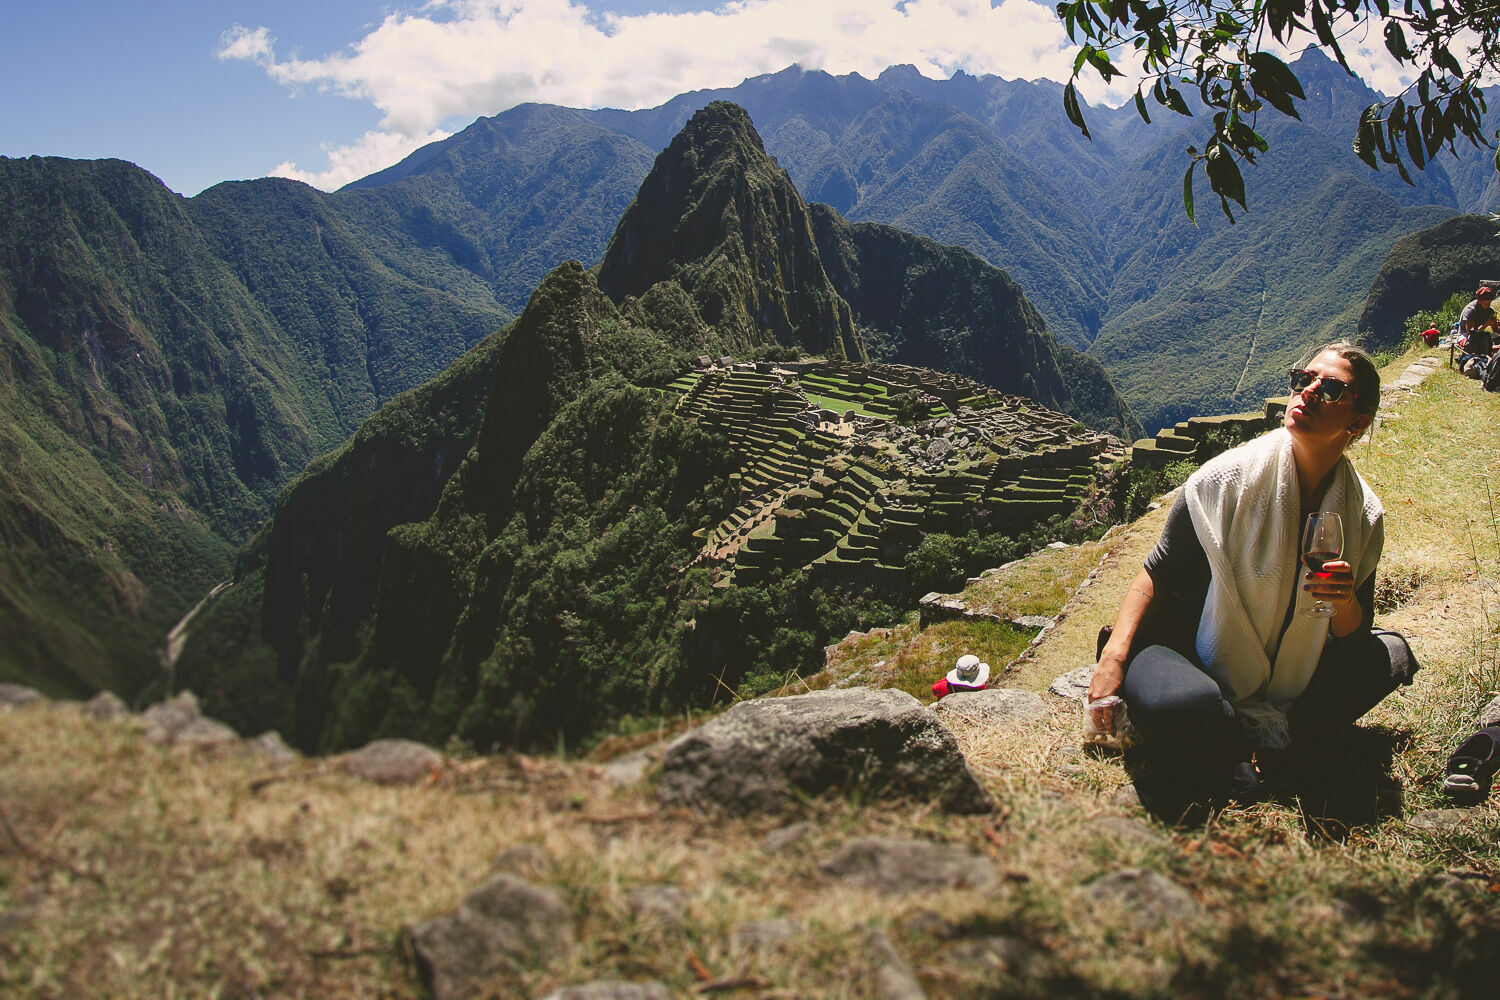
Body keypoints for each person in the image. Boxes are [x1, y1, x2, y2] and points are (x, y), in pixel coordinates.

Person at [1088, 342, 1418, 800]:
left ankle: (1243, 734)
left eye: (1331, 390)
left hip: (1291, 668)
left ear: (1357, 422)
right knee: (1188, 704)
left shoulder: (1362, 515)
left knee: (1393, 656)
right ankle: (1248, 730)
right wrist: (1115, 658)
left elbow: (1352, 633)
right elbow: (1157, 571)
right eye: (1304, 379)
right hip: (1191, 648)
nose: (1307, 392)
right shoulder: (1222, 481)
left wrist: (1341, 600)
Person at [1455, 286, 1497, 377]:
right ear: (1479, 300)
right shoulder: (1471, 311)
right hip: (1465, 335)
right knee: (1472, 344)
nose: (1488, 305)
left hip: (1478, 334)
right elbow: (1470, 333)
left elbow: (1496, 331)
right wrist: (1486, 325)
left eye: (1489, 302)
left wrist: (1496, 326)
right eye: (1485, 303)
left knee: (1489, 339)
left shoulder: (1489, 310)